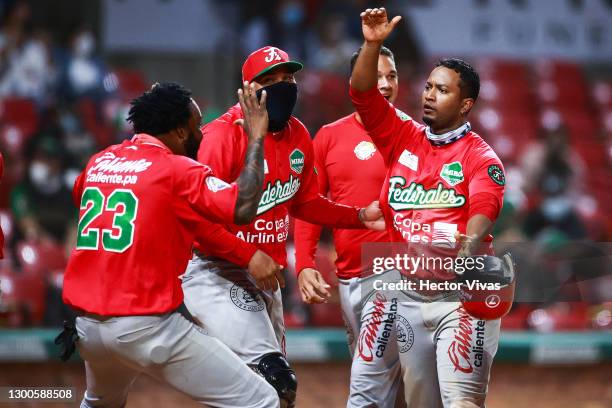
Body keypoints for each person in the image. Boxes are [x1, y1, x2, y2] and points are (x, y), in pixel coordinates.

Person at [181, 46, 384, 408]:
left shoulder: (298, 134)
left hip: (264, 274)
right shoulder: (221, 136)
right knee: (273, 383)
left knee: (267, 393)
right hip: (218, 269)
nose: (282, 86)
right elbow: (198, 223)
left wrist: (358, 216)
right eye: (269, 81)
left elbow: (304, 202)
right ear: (246, 89)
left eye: (288, 78)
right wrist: (248, 254)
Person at [61, 82, 281, 407]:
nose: (202, 134)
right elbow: (243, 206)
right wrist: (258, 137)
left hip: (88, 330)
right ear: (180, 132)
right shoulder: (176, 169)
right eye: (197, 125)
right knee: (262, 400)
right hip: (146, 327)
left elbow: (86, 200)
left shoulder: (99, 161)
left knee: (99, 404)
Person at [349, 8, 506, 408]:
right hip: (406, 291)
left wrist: (467, 251)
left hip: (461, 295)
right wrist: (372, 45)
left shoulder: (481, 158)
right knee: (422, 402)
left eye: (443, 90)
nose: (429, 95)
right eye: (429, 87)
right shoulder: (401, 135)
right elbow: (362, 94)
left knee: (461, 402)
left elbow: (482, 215)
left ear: (466, 103)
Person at [292, 46, 402, 407]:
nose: (385, 84)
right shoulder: (327, 137)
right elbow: (309, 205)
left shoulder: (415, 136)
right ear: (355, 83)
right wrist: (306, 263)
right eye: (376, 75)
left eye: (392, 76)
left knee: (368, 384)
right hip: (349, 278)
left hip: (395, 274)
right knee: (388, 381)